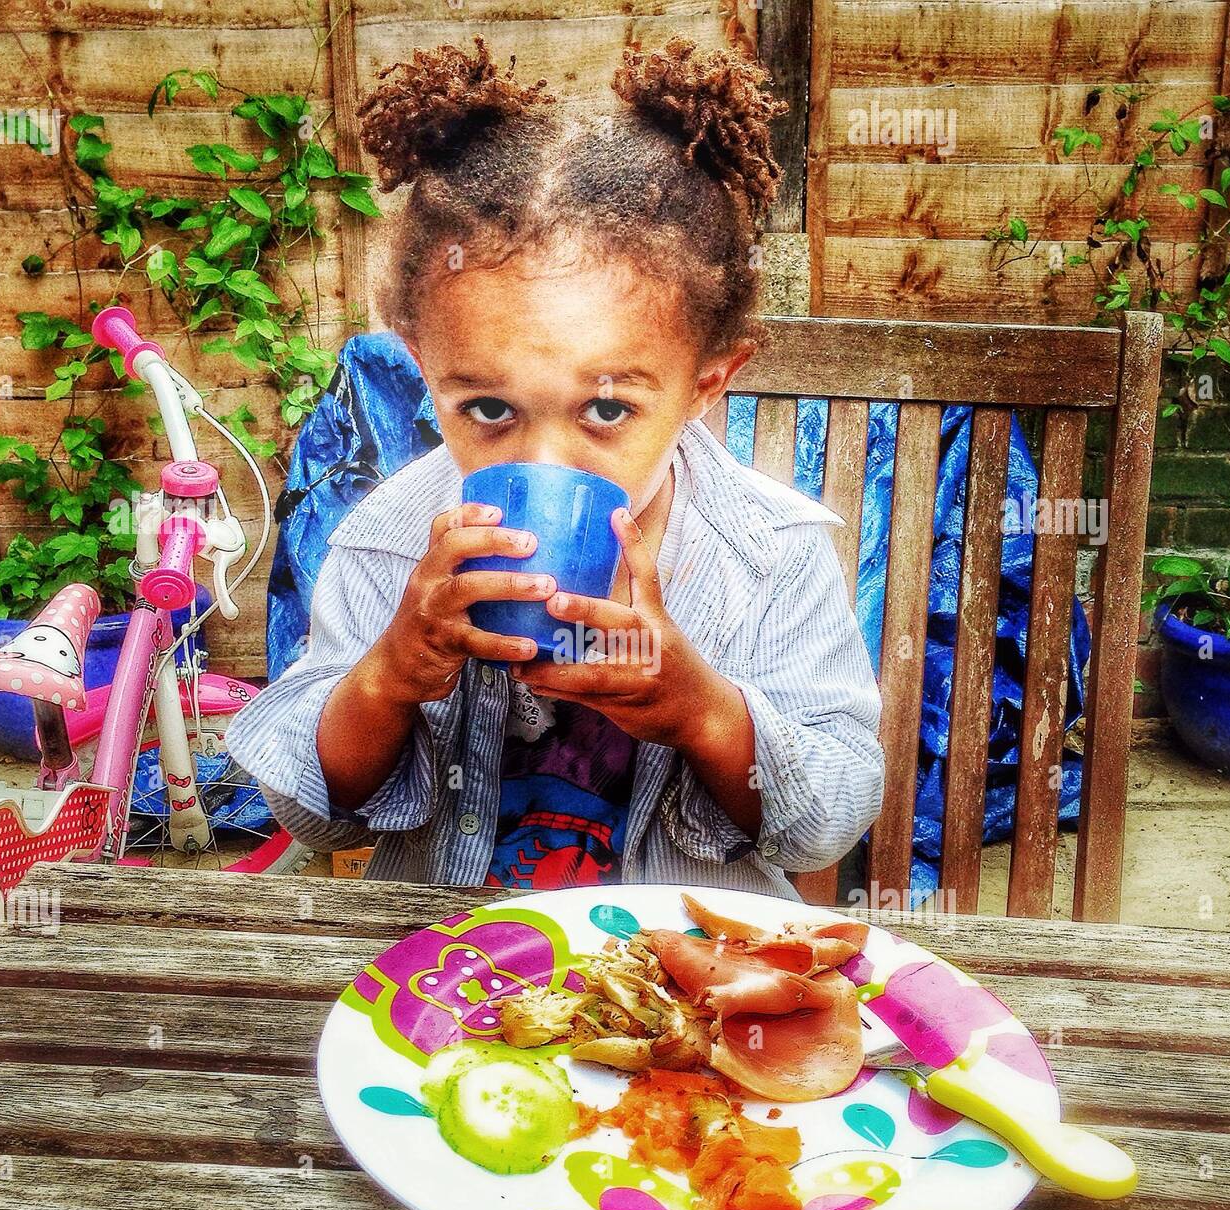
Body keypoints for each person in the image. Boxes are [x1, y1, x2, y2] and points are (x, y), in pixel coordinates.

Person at [226, 36, 883, 899]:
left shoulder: (770, 556)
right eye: (489, 409)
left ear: (705, 387)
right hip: (447, 980)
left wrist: (704, 711)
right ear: (424, 370)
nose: (542, 459)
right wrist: (389, 678)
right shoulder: (390, 546)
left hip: (682, 980)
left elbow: (828, 821)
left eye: (607, 410)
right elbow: (318, 817)